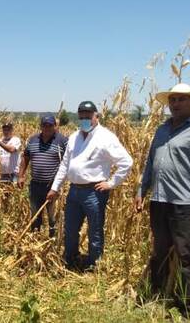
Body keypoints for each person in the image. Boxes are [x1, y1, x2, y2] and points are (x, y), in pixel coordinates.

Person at [134, 83, 190, 320]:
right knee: (159, 251)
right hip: (159, 201)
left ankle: (184, 308)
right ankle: (153, 294)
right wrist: (141, 190)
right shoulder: (161, 130)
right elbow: (151, 163)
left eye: (181, 99)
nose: (176, 104)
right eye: (173, 100)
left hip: (185, 204)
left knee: (185, 256)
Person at [47, 101, 133, 270]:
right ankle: (70, 259)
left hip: (94, 192)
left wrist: (111, 183)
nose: (85, 118)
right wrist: (55, 188)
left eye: (88, 115)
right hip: (74, 191)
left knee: (95, 229)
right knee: (70, 228)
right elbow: (65, 165)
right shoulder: (74, 137)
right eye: (82, 115)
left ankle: (94, 264)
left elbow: (126, 162)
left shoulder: (106, 137)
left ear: (96, 116)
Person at [18, 116, 67, 238]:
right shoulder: (33, 140)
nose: (47, 128)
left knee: (52, 214)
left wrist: (56, 187)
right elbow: (25, 157)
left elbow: (68, 162)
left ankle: (52, 240)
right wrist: (21, 176)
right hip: (35, 185)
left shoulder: (62, 140)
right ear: (41, 126)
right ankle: (35, 237)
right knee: (35, 213)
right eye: (45, 125)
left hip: (52, 186)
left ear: (55, 126)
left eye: (50, 125)